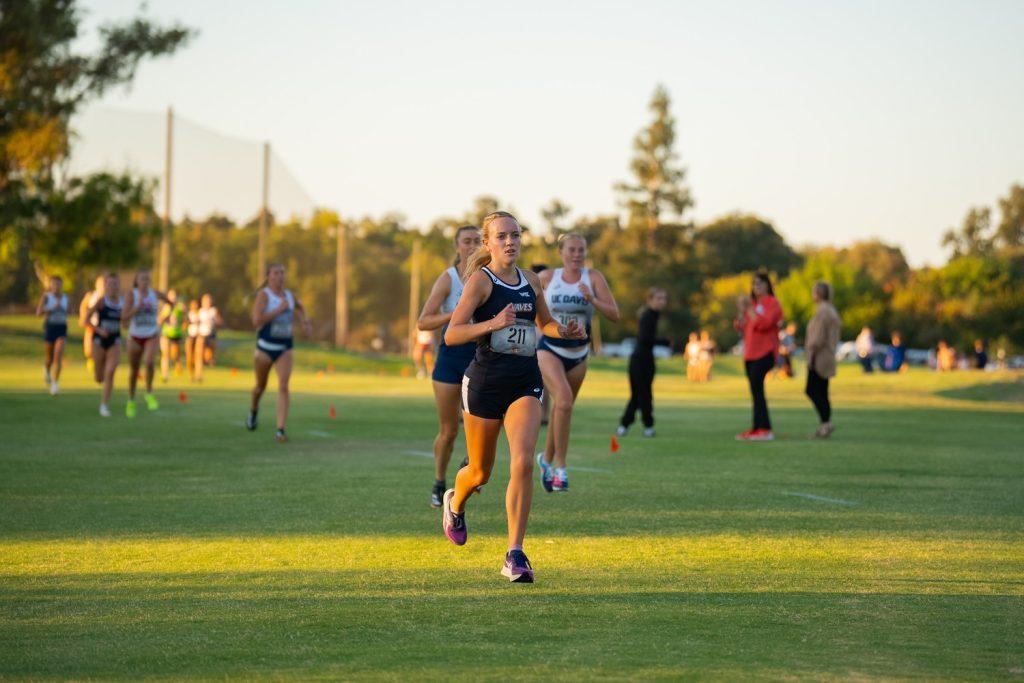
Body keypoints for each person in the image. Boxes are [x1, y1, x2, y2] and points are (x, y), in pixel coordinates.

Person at [441, 211, 584, 583]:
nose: (510, 242)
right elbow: (452, 334)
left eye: (515, 235)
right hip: (485, 383)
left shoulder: (532, 281)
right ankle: (455, 502)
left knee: (521, 462)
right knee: (480, 471)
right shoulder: (480, 282)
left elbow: (544, 324)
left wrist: (562, 330)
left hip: (524, 380)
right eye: (502, 236)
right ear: (488, 244)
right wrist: (492, 323)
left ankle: (515, 553)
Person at [536, 233, 619, 493]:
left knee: (563, 409)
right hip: (548, 349)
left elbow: (614, 314)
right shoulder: (548, 278)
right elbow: (527, 306)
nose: (577, 255)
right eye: (571, 250)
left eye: (581, 250)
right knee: (563, 401)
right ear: (561, 252)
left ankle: (545, 460)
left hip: (579, 354)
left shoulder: (593, 278)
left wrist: (592, 299)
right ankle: (561, 468)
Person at [417, 225, 482, 508]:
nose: (471, 246)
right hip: (450, 358)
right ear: (457, 246)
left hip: (480, 357)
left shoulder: (489, 276)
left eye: (477, 241)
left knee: (480, 425)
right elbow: (423, 321)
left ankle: (471, 465)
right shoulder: (448, 279)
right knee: (449, 431)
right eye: (466, 241)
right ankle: (439, 480)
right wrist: (454, 315)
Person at [246, 264, 312, 442]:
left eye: (283, 273)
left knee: (283, 385)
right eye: (276, 273)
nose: (280, 276)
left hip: (285, 347)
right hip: (265, 348)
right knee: (260, 387)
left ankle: (280, 429)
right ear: (269, 276)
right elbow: (256, 320)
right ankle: (253, 410)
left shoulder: (289, 296)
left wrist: (305, 322)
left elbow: (300, 307)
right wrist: (277, 311)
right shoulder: (264, 295)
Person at [735, 272, 783, 441]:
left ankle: (765, 429)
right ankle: (757, 428)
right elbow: (742, 326)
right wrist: (742, 312)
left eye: (761, 284)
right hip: (750, 353)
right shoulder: (753, 305)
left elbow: (765, 324)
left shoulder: (772, 303)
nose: (757, 287)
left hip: (765, 352)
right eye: (754, 284)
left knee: (758, 389)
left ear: (768, 286)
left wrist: (750, 310)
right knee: (755, 391)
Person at [617, 287, 668, 438]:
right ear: (650, 300)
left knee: (641, 394)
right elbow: (644, 339)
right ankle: (645, 426)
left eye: (664, 298)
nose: (662, 301)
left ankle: (626, 426)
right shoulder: (648, 316)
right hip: (640, 361)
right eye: (659, 298)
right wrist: (665, 342)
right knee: (641, 394)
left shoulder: (654, 315)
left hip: (646, 359)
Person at [122, 269, 167, 417]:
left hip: (151, 335)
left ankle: (149, 392)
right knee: (134, 371)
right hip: (135, 336)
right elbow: (124, 318)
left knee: (149, 362)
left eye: (147, 279)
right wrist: (137, 307)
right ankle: (131, 400)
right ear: (137, 281)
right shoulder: (131, 295)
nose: (145, 282)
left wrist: (163, 318)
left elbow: (172, 303)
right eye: (142, 279)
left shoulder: (155, 294)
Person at [803, 281, 841, 438]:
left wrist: (810, 354)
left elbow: (817, 337)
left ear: (818, 294)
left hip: (819, 356)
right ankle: (825, 424)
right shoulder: (831, 310)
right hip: (828, 355)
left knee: (812, 390)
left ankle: (826, 423)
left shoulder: (822, 311)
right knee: (822, 392)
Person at [85, 273, 123, 417]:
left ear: (119, 286)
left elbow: (126, 321)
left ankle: (104, 406)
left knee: (110, 371)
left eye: (116, 284)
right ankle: (99, 377)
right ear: (106, 286)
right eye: (110, 284)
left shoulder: (123, 302)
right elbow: (85, 320)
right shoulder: (101, 301)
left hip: (115, 341)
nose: (113, 287)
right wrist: (99, 330)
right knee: (99, 377)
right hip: (99, 341)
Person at [36, 275, 69, 395]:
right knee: (49, 358)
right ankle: (46, 369)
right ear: (50, 285)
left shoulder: (65, 298)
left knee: (58, 355)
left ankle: (55, 383)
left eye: (59, 284)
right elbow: (38, 313)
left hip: (61, 328)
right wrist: (51, 309)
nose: (56, 287)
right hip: (50, 327)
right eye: (54, 284)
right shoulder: (46, 297)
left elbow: (70, 311)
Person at [78, 275, 105, 376]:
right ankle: (91, 361)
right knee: (88, 350)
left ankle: (100, 364)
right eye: (101, 284)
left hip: (104, 327)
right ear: (96, 285)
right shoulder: (91, 295)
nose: (103, 286)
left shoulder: (108, 297)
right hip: (92, 326)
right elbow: (83, 307)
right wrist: (83, 317)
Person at [158, 290, 187, 381]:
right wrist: (165, 316)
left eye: (174, 296)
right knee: (165, 354)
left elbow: (187, 318)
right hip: (166, 333)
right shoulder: (166, 307)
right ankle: (165, 375)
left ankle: (177, 366)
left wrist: (184, 325)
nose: (173, 298)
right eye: (171, 296)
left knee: (175, 356)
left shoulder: (180, 307)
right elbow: (159, 321)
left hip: (176, 334)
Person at [195, 294, 222, 381]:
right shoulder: (200, 311)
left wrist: (215, 320)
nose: (206, 303)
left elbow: (220, 322)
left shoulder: (213, 311)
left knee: (208, 358)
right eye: (205, 301)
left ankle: (210, 359)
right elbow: (195, 322)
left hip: (211, 335)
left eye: (208, 301)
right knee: (198, 355)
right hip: (201, 335)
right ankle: (199, 375)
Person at [185, 299, 200, 381]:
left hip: (198, 337)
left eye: (196, 304)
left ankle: (198, 374)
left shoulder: (200, 314)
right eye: (193, 304)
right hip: (189, 337)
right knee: (189, 357)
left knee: (197, 357)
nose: (195, 306)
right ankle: (191, 374)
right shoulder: (188, 314)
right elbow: (184, 325)